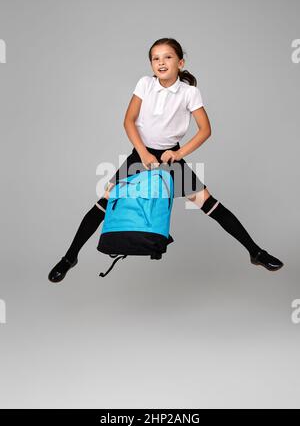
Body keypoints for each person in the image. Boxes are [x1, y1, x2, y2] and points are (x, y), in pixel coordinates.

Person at [48, 37, 284, 283]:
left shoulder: (189, 92)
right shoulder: (144, 84)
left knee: (209, 204)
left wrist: (179, 155)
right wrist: (143, 153)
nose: (161, 62)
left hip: (172, 157)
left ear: (180, 62)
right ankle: (69, 257)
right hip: (141, 153)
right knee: (106, 202)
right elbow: (128, 121)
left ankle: (255, 252)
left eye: (168, 57)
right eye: (155, 58)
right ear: (151, 64)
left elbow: (205, 130)